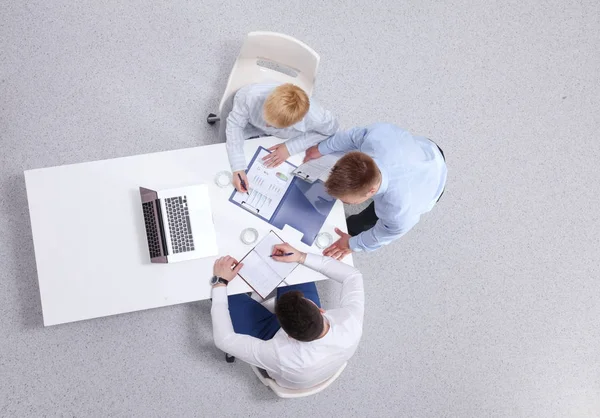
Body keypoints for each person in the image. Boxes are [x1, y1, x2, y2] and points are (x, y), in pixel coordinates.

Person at [209, 243, 364, 390]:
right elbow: (353, 276)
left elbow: (224, 340)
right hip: (316, 362)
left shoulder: (279, 355)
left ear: (287, 334)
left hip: (277, 349)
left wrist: (220, 281)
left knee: (219, 293)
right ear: (320, 311)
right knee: (290, 264)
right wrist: (300, 256)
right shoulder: (350, 322)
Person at [303, 123, 447, 259]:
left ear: (371, 191)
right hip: (422, 150)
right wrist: (322, 148)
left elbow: (386, 233)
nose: (340, 201)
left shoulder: (399, 211)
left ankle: (353, 228)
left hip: (434, 178)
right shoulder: (377, 137)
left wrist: (353, 244)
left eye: (346, 201)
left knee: (370, 219)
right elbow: (352, 136)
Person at [225, 82, 338, 193]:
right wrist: (237, 167)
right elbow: (234, 126)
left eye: (274, 125)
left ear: (297, 121)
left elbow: (330, 131)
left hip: (282, 139)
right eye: (267, 119)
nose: (267, 126)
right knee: (223, 151)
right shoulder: (248, 96)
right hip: (249, 125)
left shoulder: (317, 118)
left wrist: (290, 148)